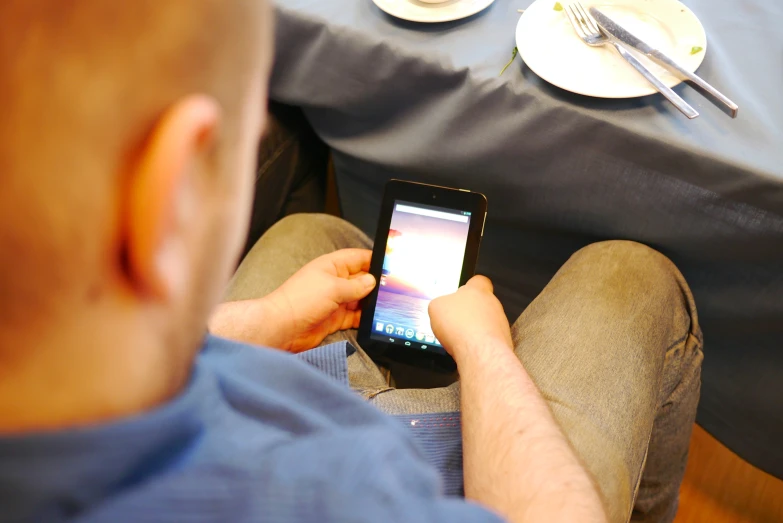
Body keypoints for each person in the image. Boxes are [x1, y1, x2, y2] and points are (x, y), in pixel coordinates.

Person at [0, 1, 703, 522]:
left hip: (272, 375)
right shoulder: (338, 493)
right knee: (629, 275)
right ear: (174, 200)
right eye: (241, 149)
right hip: (457, 466)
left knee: (313, 230)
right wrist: (487, 351)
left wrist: (260, 319)